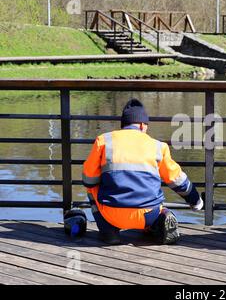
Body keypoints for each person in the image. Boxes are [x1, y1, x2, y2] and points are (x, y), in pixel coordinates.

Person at [82, 98, 203, 245]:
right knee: (157, 205)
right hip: (147, 215)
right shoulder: (158, 146)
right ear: (141, 125)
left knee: (91, 190)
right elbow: (176, 180)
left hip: (112, 214)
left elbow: (89, 180)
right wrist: (195, 200)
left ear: (124, 124)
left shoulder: (104, 140)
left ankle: (109, 232)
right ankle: (160, 220)